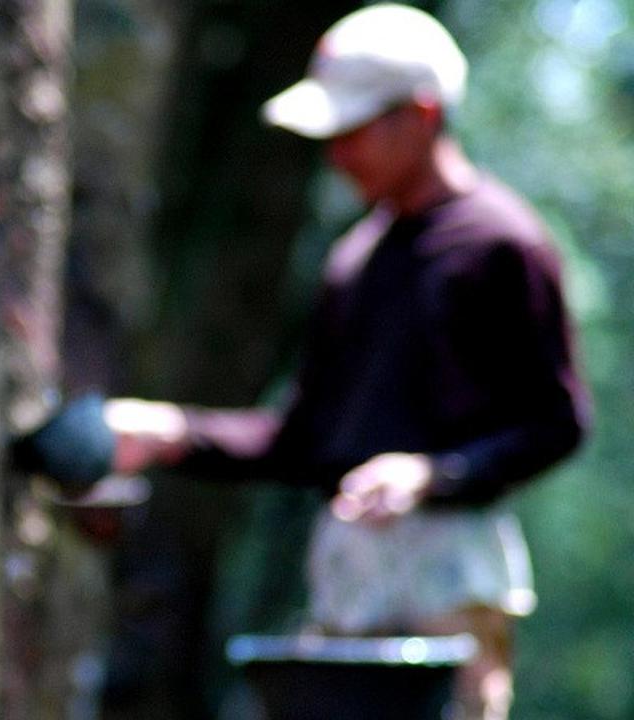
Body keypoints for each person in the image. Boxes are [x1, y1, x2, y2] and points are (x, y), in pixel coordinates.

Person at [94, 5, 589, 720]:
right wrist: (175, 433)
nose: (336, 154)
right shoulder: (356, 259)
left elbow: (558, 422)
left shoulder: (501, 245)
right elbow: (305, 440)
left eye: (353, 130)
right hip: (350, 582)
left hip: (450, 584)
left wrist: (431, 475)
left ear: (421, 114)